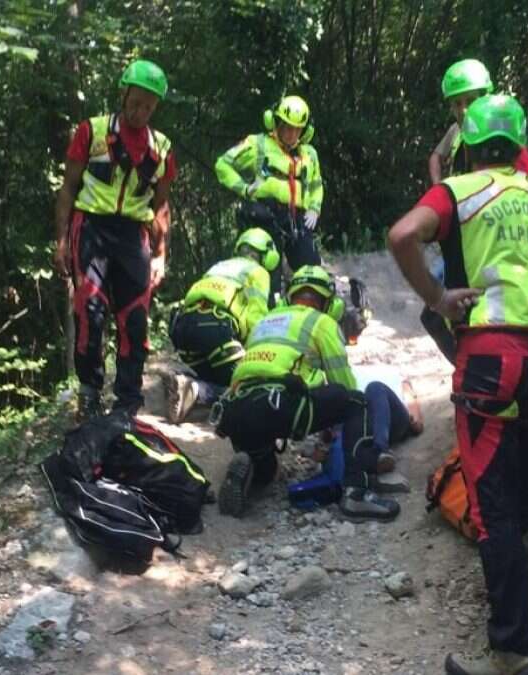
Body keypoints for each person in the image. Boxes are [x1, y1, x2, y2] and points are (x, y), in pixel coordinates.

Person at [388, 94, 528, 675]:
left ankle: (513, 652)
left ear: (468, 146)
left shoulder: (459, 192)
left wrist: (438, 298)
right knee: (520, 435)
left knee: (489, 509)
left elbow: (401, 236)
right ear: (520, 145)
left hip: (493, 359)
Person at [212, 266, 399, 522]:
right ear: (327, 301)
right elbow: (343, 383)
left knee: (265, 462)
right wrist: (335, 433)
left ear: (291, 295)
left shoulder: (265, 321)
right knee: (357, 402)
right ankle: (356, 491)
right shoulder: (320, 322)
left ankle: (253, 468)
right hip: (280, 404)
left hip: (234, 409)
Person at [54, 59, 176, 421]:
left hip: (133, 237)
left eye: (149, 106)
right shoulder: (91, 133)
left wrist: (160, 255)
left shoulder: (162, 149)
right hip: (90, 227)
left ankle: (127, 402)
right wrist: (61, 241)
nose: (141, 112)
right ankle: (89, 394)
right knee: (89, 312)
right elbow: (68, 188)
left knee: (134, 321)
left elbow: (161, 204)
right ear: (123, 94)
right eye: (137, 102)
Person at [424, 59, 528, 364]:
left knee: (468, 315)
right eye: (457, 104)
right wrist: (440, 187)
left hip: (486, 241)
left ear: (485, 96)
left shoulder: (500, 139)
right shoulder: (455, 132)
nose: (464, 110)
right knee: (436, 315)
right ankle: (468, 370)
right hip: (462, 237)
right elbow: (435, 157)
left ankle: (479, 373)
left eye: (471, 101)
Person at [164, 228, 279, 424]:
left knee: (221, 373)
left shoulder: (219, 266)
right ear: (267, 254)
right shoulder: (258, 272)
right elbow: (257, 320)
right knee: (251, 387)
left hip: (183, 332)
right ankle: (198, 391)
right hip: (216, 331)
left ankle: (184, 383)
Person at [215, 95, 324, 301]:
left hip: (297, 220)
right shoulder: (258, 144)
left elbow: (317, 184)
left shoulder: (309, 154)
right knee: (267, 276)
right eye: (287, 127)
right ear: (277, 123)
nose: (292, 134)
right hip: (264, 216)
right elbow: (223, 165)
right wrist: (245, 189)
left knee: (311, 272)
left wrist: (314, 208)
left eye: (297, 129)